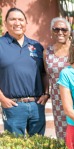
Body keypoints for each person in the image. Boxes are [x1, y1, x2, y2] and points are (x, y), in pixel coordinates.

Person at [0, 7, 48, 136]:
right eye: (13, 19)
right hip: (13, 106)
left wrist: (46, 93)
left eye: (20, 19)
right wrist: (2, 98)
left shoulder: (37, 46)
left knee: (38, 147)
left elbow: (44, 73)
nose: (17, 23)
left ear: (26, 23)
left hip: (37, 104)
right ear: (5, 23)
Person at [44, 17, 71, 141]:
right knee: (62, 135)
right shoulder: (47, 52)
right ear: (51, 31)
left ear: (69, 31)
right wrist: (46, 93)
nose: (60, 32)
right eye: (56, 29)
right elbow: (46, 74)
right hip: (57, 99)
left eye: (64, 29)